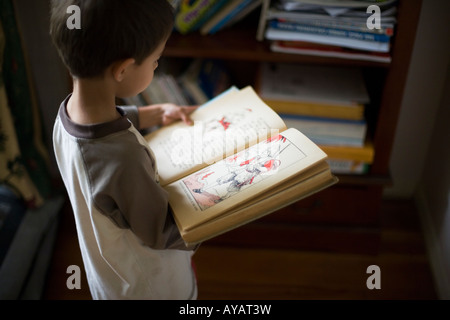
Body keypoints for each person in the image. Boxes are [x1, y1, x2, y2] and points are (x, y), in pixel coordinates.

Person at [50, 0, 199, 300]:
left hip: (113, 277)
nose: (157, 65)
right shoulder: (122, 158)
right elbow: (163, 231)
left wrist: (153, 114)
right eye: (156, 60)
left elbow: (108, 125)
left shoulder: (67, 114)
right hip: (152, 287)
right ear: (123, 69)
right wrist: (222, 210)